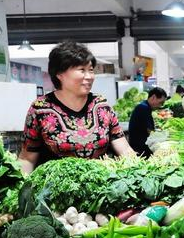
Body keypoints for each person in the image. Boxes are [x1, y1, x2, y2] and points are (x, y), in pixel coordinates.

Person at [18, 41, 134, 174]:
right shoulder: (40, 109)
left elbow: (124, 150)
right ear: (60, 74)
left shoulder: (101, 105)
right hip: (56, 190)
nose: (89, 76)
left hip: (101, 188)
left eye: (91, 70)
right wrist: (21, 188)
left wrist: (141, 172)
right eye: (82, 70)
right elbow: (27, 159)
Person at [128, 87, 167, 158]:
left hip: (139, 145)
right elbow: (150, 131)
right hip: (140, 148)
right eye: (161, 102)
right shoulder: (143, 108)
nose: (160, 106)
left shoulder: (144, 106)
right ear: (153, 97)